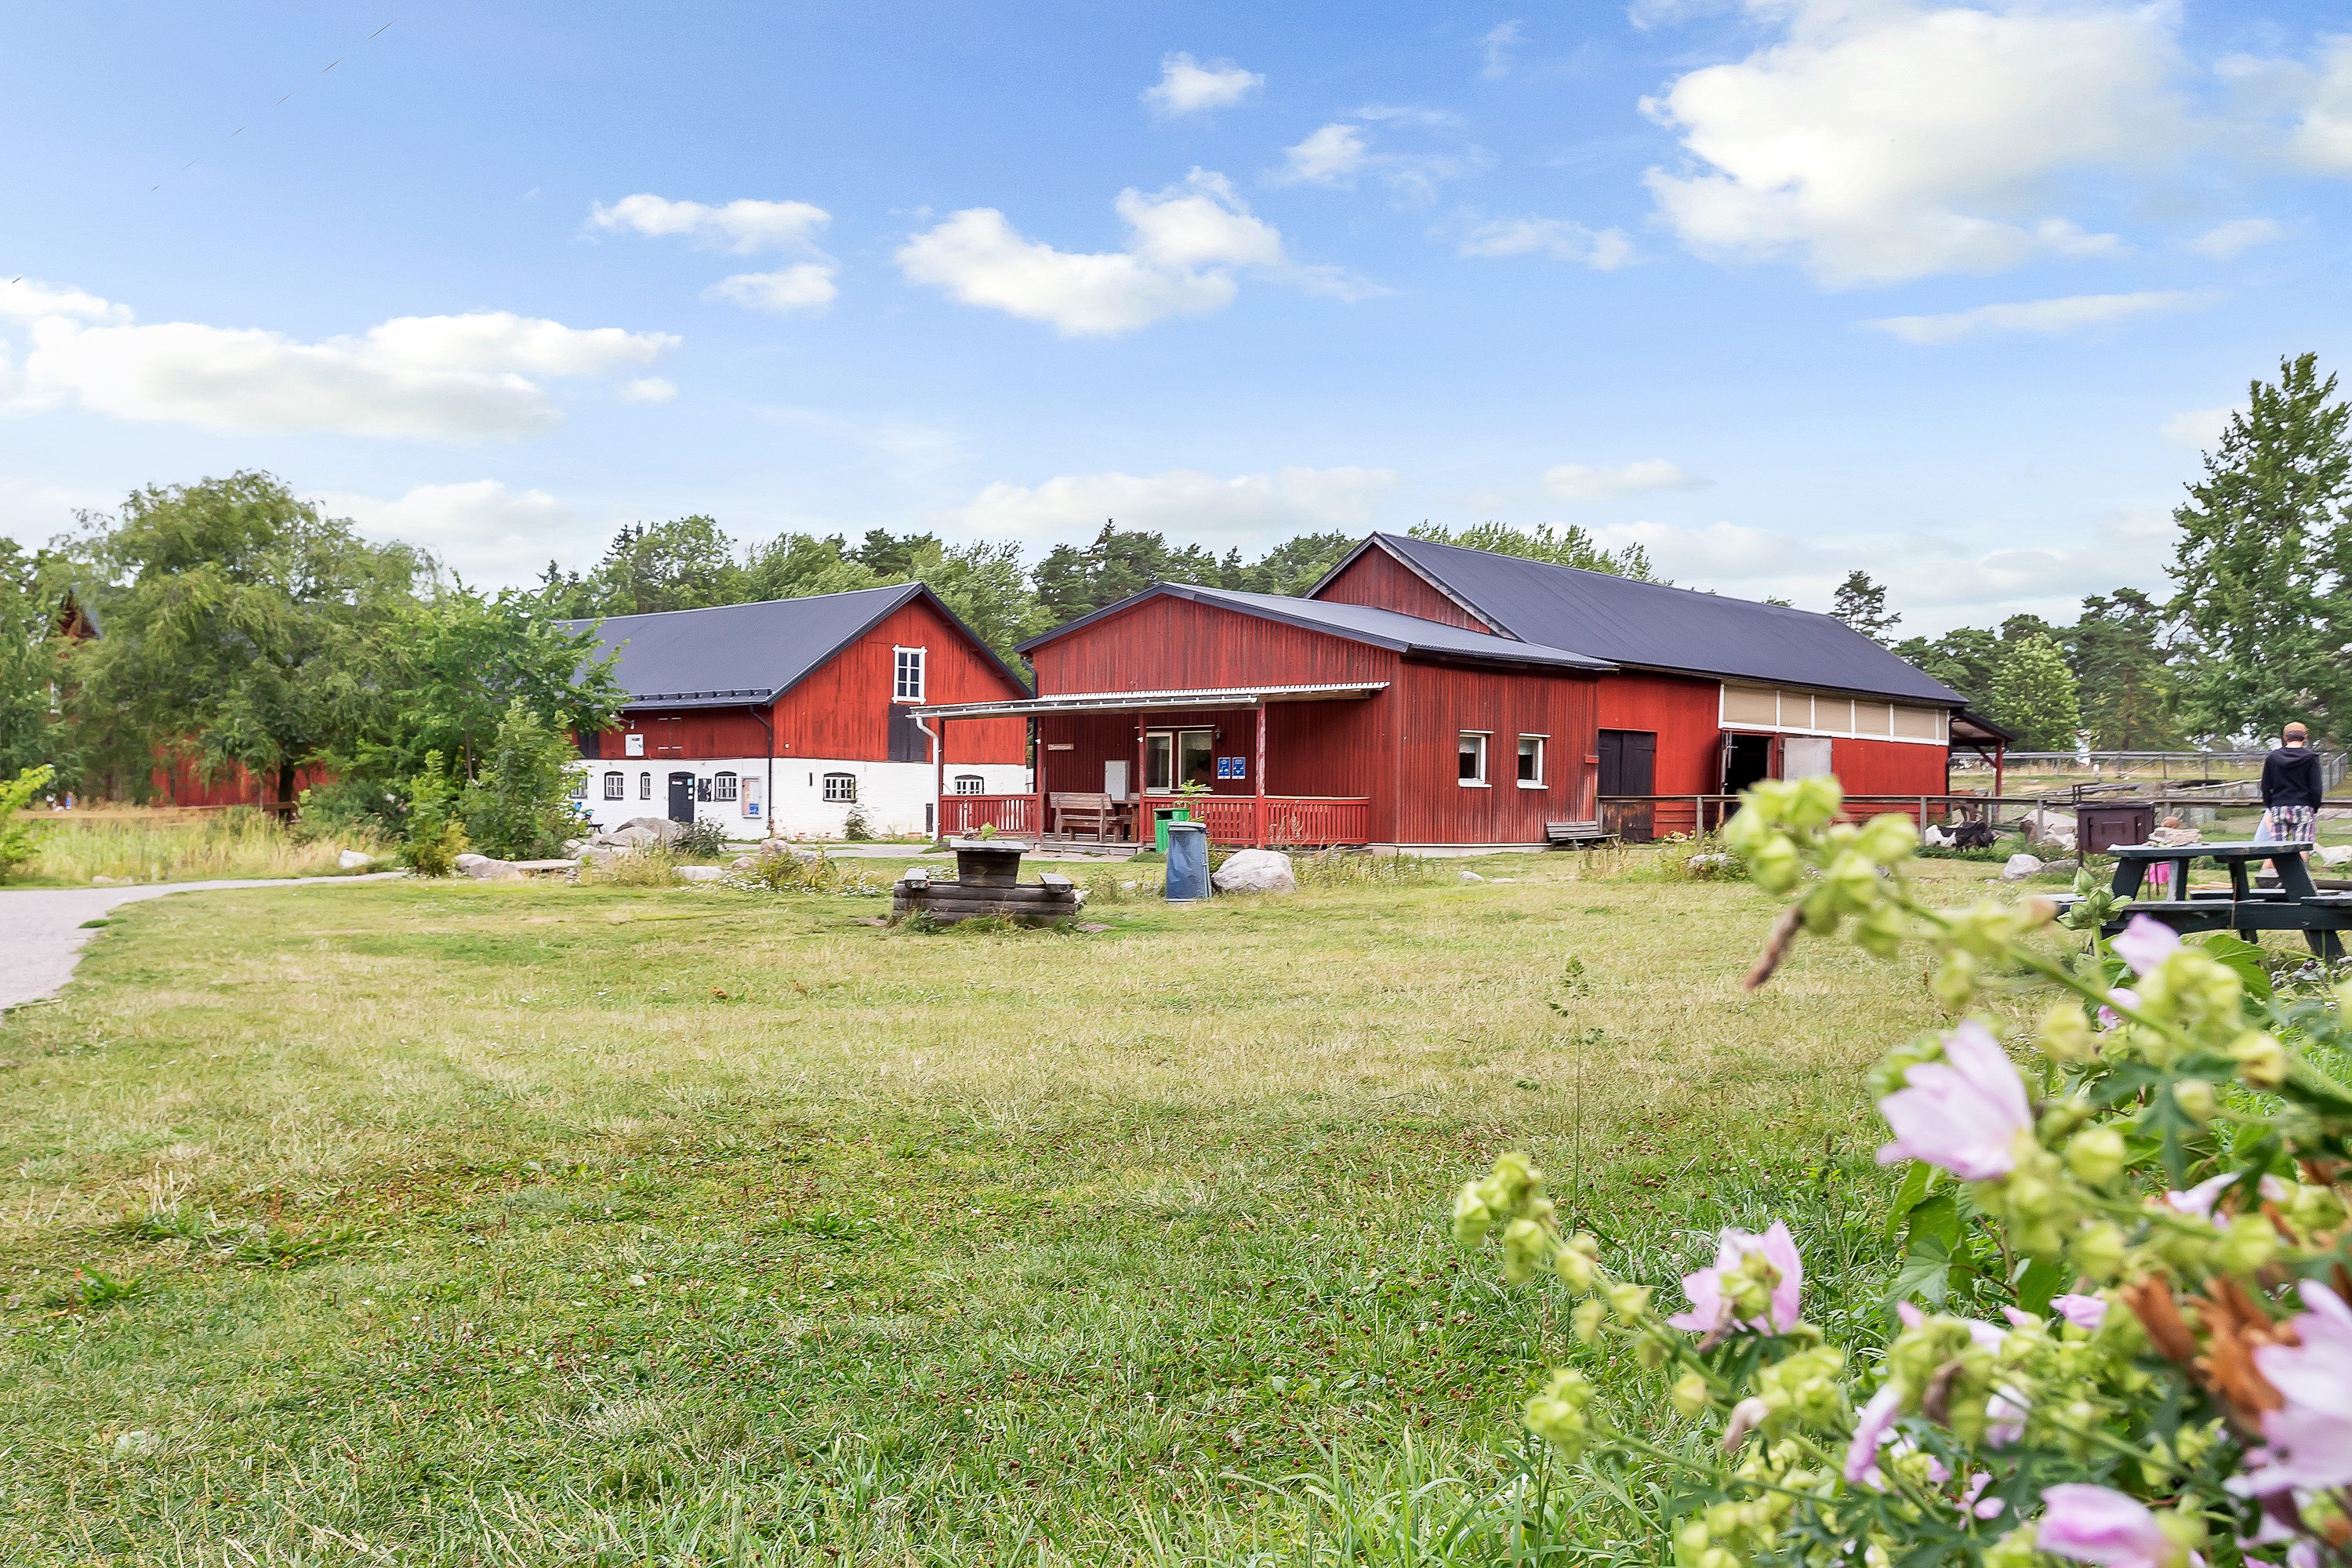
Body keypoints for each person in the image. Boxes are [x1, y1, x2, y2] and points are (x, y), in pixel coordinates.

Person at [2260, 721, 2324, 845]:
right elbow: (2316, 788)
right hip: (2303, 806)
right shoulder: (2311, 758)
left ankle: (2278, 865)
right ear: (2305, 737)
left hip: (2279, 807)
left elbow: (2265, 787)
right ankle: (2302, 865)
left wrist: (2271, 805)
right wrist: (2314, 807)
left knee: (2278, 849)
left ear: (2285, 738)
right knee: (2302, 846)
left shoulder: (2272, 757)